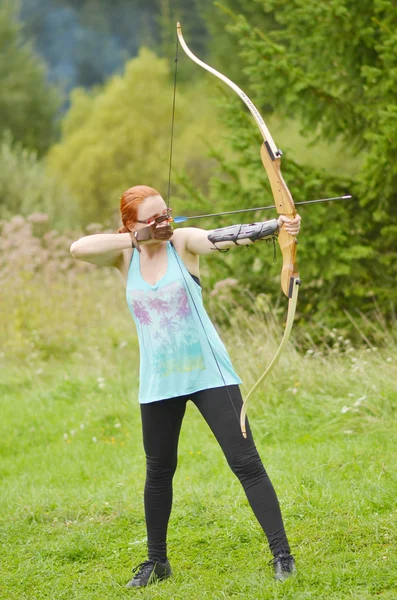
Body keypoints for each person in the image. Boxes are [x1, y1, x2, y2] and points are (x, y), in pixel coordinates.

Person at [70, 185, 302, 588]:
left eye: (167, 213)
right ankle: (157, 563)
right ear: (131, 225)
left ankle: (282, 556)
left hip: (209, 374)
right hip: (159, 381)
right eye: (154, 219)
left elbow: (220, 237)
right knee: (159, 471)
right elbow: (78, 248)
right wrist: (135, 238)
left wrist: (276, 227)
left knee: (246, 463)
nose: (165, 223)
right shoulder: (125, 255)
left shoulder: (182, 242)